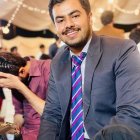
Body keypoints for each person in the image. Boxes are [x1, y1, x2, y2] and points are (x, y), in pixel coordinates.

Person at [38, 0, 140, 140]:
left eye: (75, 16)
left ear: (90, 17)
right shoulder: (58, 61)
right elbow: (52, 114)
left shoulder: (122, 50)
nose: (68, 24)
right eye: (60, 20)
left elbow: (130, 114)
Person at [0, 52, 51, 140]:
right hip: (25, 132)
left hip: (47, 132)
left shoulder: (49, 69)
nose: (7, 88)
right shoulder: (15, 77)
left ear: (22, 71)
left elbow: (54, 114)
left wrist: (20, 87)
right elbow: (19, 115)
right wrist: (9, 127)